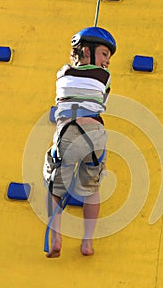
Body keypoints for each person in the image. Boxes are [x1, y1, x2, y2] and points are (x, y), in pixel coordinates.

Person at [43, 26, 116, 258]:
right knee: (91, 188)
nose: (107, 62)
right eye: (104, 54)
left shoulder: (62, 74)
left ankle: (56, 236)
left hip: (68, 131)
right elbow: (103, 96)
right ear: (87, 50)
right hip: (94, 133)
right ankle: (87, 241)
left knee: (55, 185)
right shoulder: (105, 78)